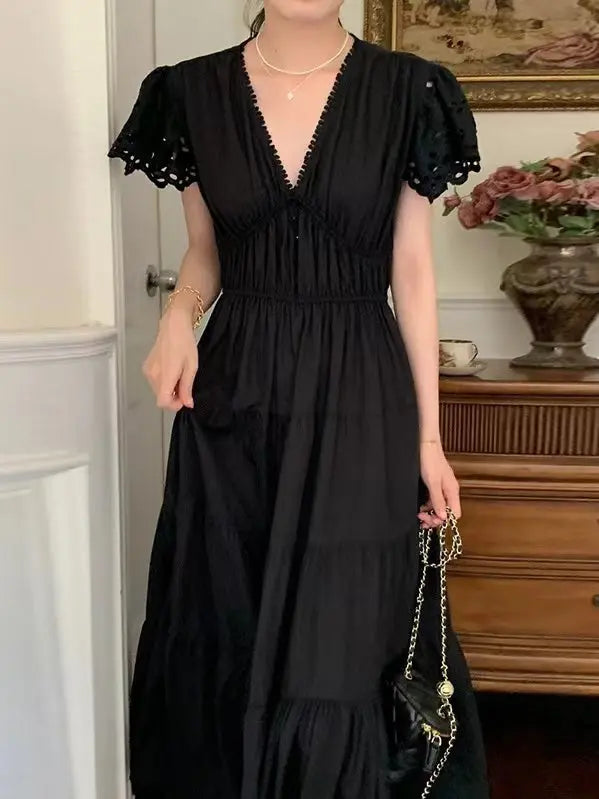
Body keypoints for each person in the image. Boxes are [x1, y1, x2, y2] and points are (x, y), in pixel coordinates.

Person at [108, 1, 489, 797]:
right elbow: (205, 252)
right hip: (234, 395)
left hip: (360, 394)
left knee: (342, 634)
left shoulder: (410, 89)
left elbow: (412, 271)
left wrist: (428, 440)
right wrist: (178, 316)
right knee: (228, 617)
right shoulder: (188, 92)